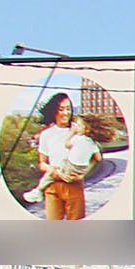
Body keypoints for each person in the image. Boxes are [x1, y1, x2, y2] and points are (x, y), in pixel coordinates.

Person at [28, 92, 99, 221]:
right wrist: (53, 171)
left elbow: (95, 158)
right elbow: (42, 163)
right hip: (52, 186)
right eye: (61, 109)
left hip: (73, 185)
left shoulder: (79, 131)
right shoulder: (46, 134)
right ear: (54, 111)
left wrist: (83, 174)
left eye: (68, 109)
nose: (65, 113)